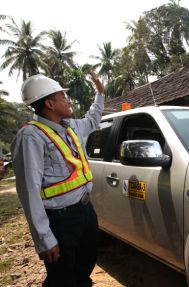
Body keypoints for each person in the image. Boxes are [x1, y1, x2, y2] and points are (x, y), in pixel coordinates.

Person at [11, 72, 104, 287]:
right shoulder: (31, 137)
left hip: (85, 211)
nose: (68, 100)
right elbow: (29, 191)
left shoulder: (70, 127)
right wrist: (44, 238)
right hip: (60, 220)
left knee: (84, 267)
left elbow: (93, 119)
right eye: (63, 96)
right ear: (50, 103)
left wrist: (100, 94)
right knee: (62, 278)